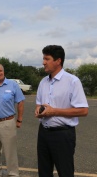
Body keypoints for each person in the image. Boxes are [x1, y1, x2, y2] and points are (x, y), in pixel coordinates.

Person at [35, 45, 88, 177]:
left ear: (58, 61)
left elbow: (83, 110)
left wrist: (54, 112)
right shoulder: (43, 82)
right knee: (44, 172)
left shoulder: (72, 81)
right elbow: (38, 104)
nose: (43, 62)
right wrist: (38, 110)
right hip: (43, 133)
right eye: (43, 58)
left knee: (65, 172)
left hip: (63, 135)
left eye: (47, 59)